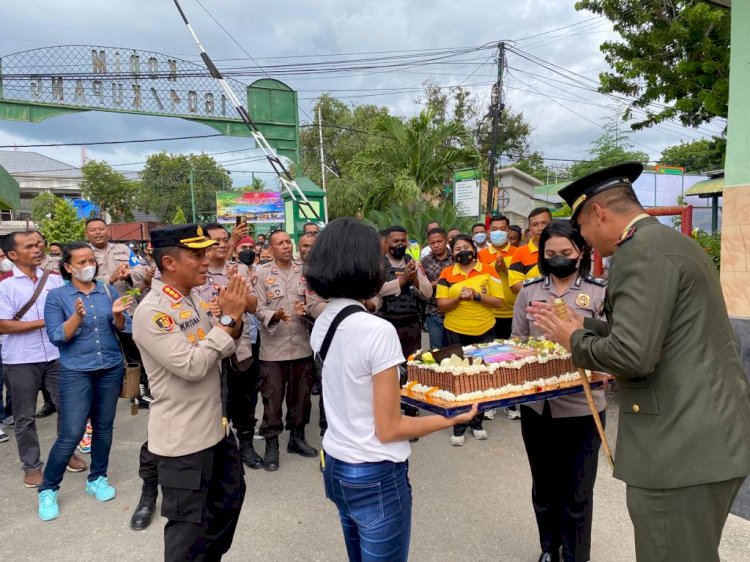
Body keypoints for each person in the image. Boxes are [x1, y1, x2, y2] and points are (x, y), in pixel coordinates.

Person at [531, 162, 750, 562]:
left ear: (599, 213)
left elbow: (633, 355)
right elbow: (661, 331)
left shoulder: (638, 253)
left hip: (677, 450)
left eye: (581, 228)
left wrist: (573, 338)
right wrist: (589, 325)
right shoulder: (671, 243)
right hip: (708, 438)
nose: (584, 240)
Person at [306, 217, 478, 562]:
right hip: (375, 470)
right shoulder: (376, 331)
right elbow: (390, 428)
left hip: (337, 463)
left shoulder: (325, 319)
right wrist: (452, 417)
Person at [133, 224, 247, 561]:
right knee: (188, 533)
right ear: (169, 262)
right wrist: (228, 318)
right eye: (196, 255)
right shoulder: (153, 312)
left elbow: (223, 346)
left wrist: (233, 317)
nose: (206, 260)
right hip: (183, 442)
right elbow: (194, 365)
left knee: (227, 505)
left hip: (214, 428)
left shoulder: (189, 298)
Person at [512, 222, 607, 562]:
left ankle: (576, 555)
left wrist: (602, 369)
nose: (558, 259)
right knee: (545, 488)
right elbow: (517, 344)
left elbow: (613, 347)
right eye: (550, 254)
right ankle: (549, 548)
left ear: (581, 252)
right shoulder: (530, 291)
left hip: (583, 407)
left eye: (565, 253)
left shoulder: (599, 293)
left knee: (578, 492)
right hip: (538, 408)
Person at [37, 242, 134, 521]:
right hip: (75, 371)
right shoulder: (57, 296)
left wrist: (117, 314)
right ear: (68, 267)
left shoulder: (107, 290)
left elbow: (124, 327)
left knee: (104, 427)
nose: (88, 265)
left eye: (91, 260)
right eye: (81, 262)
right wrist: (76, 318)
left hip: (110, 368)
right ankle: (48, 489)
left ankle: (98, 478)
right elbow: (57, 336)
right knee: (72, 432)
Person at [0, 231, 87, 488]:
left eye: (39, 245)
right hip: (21, 359)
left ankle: (66, 453)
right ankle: (32, 465)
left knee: (67, 408)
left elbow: (69, 311)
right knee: (24, 416)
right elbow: (3, 325)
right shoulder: (5, 286)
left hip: (58, 354)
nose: (38, 249)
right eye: (29, 246)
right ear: (13, 255)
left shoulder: (55, 280)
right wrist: (48, 321)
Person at [195, 223, 261, 471]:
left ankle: (246, 444)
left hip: (239, 345)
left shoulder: (239, 270)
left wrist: (239, 294)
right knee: (211, 399)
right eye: (216, 241)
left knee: (244, 398)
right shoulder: (195, 273)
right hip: (206, 345)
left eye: (225, 240)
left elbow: (254, 306)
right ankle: (216, 448)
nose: (222, 245)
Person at [254, 230, 317, 471]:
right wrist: (274, 315)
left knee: (300, 398)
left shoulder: (305, 272)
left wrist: (307, 310)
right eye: (280, 243)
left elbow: (315, 301)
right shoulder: (261, 274)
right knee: (272, 399)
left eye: (288, 242)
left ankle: (297, 438)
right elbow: (257, 307)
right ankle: (272, 446)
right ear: (270, 249)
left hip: (302, 345)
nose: (286, 247)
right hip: (273, 349)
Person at [436, 234, 503, 446]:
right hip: (455, 331)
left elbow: (499, 302)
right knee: (459, 377)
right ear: (452, 253)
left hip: (484, 331)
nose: (462, 251)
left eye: (466, 247)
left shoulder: (488, 270)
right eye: (457, 249)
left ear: (473, 248)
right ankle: (458, 425)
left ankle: (477, 422)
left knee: (480, 379)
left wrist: (476, 296)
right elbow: (441, 305)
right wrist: (458, 298)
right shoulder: (446, 273)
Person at [478, 215, 517, 340]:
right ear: (489, 232)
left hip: (515, 312)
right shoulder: (480, 255)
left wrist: (505, 270)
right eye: (494, 229)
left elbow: (524, 281)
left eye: (502, 228)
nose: (498, 232)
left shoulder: (519, 252)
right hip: (489, 313)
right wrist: (494, 269)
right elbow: (477, 282)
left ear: (508, 231)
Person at [420, 227, 452, 349]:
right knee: (437, 350)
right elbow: (422, 288)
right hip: (433, 312)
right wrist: (437, 283)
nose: (436, 245)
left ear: (446, 241)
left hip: (454, 310)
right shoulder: (424, 262)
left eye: (439, 241)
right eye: (433, 243)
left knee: (455, 349)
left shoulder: (455, 258)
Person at [509, 208, 552, 295]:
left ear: (552, 223)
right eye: (535, 224)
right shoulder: (520, 252)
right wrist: (542, 292)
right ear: (530, 228)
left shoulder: (563, 247)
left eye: (544, 223)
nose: (540, 228)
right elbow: (515, 285)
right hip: (532, 304)